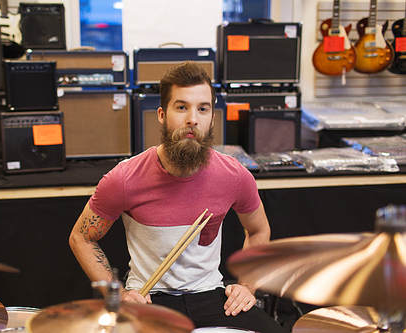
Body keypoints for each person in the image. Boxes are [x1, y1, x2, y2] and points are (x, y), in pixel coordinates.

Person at [69, 61, 285, 333]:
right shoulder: (125, 177)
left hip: (211, 295)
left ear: (212, 118)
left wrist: (247, 285)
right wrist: (119, 294)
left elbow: (258, 230)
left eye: (202, 109)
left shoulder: (233, 175)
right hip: (148, 298)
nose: (192, 119)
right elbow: (81, 237)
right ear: (161, 114)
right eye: (181, 107)